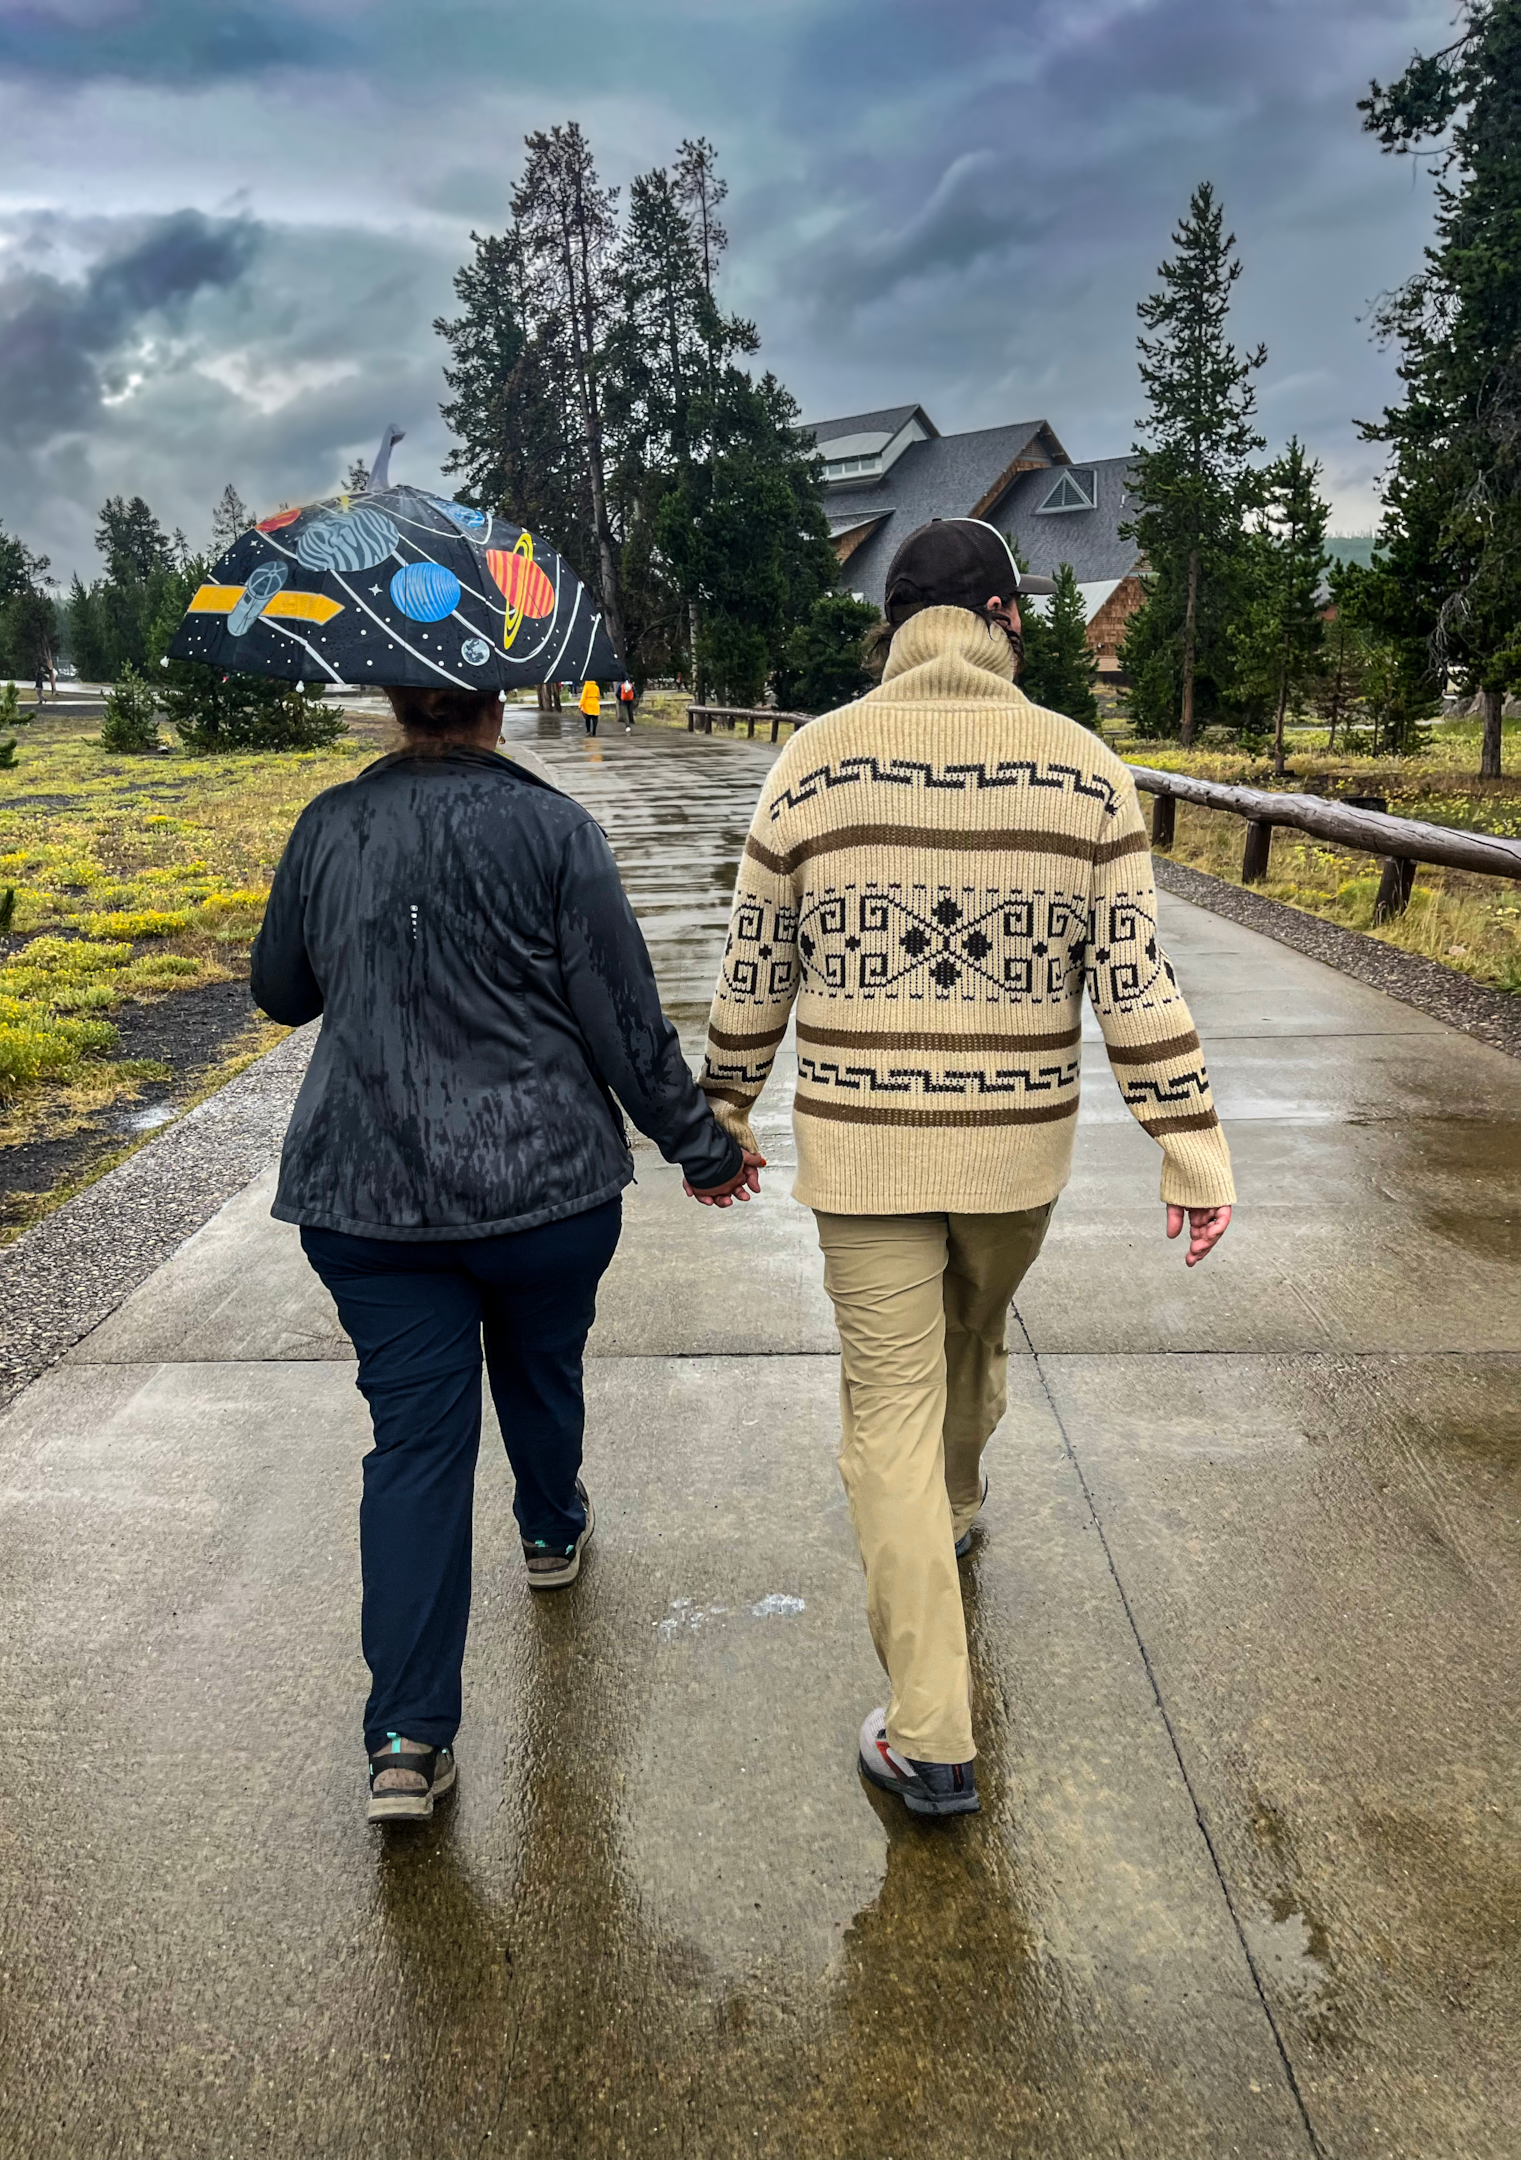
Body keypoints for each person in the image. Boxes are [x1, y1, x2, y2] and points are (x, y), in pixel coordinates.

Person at [690, 518, 1235, 1819]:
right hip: (1016, 1154)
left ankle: (930, 1737)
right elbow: (1134, 980)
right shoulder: (1085, 771)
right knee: (976, 1338)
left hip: (864, 1154)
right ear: (1004, 617)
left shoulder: (809, 771)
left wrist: (726, 1104)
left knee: (886, 1414)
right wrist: (1189, 1139)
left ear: (893, 623)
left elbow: (756, 965)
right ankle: (969, 1494)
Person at [251, 682, 761, 1822]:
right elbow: (623, 1018)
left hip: (369, 1199)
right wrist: (702, 1147)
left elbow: (279, 993)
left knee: (416, 1448)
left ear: (393, 700)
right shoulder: (552, 829)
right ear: (494, 705)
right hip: (546, 1189)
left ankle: (406, 1741)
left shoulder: (330, 824)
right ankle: (549, 1525)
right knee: (540, 1365)